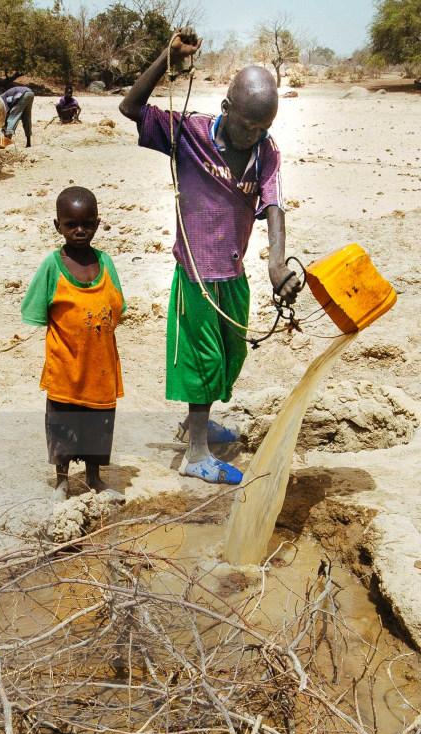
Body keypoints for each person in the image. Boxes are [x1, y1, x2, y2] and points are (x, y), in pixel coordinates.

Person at [120, 33, 299, 485]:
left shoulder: (265, 151)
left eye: (265, 128)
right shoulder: (189, 133)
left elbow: (273, 205)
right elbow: (130, 108)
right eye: (248, 126)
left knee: (229, 358)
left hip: (233, 274)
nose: (255, 136)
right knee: (202, 363)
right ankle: (197, 452)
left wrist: (276, 265)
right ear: (225, 108)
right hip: (197, 277)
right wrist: (167, 58)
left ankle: (194, 423)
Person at [21, 186, 125, 500]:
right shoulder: (52, 266)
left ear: (97, 222)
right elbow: (37, 310)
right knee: (62, 421)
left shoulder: (106, 263)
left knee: (98, 423)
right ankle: (62, 481)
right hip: (65, 365)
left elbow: (117, 304)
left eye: (88, 224)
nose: (80, 231)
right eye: (71, 225)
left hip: (100, 366)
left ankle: (94, 478)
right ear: (58, 226)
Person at [0, 81, 34, 147]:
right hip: (30, 93)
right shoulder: (5, 95)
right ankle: (28, 143)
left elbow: (8, 113)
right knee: (26, 117)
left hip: (23, 94)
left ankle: (7, 141)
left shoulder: (2, 99)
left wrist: (6, 125)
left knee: (13, 117)